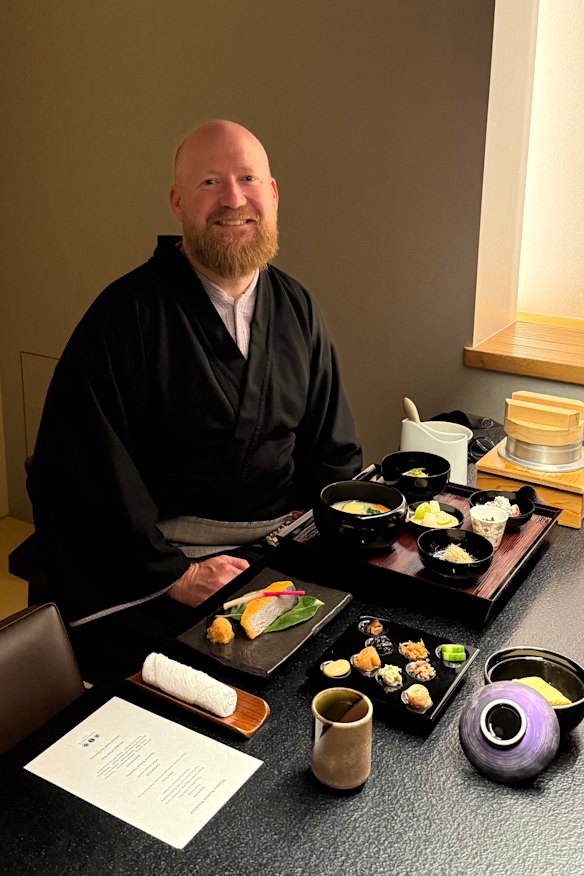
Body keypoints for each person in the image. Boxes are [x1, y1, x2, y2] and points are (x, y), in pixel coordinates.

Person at [30, 119, 362, 638]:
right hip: (159, 568)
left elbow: (333, 453)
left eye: (248, 179)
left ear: (272, 195)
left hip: (280, 556)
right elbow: (82, 473)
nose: (233, 199)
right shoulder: (123, 317)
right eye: (209, 182)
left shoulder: (297, 308)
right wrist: (176, 576)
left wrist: (315, 547)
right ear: (178, 202)